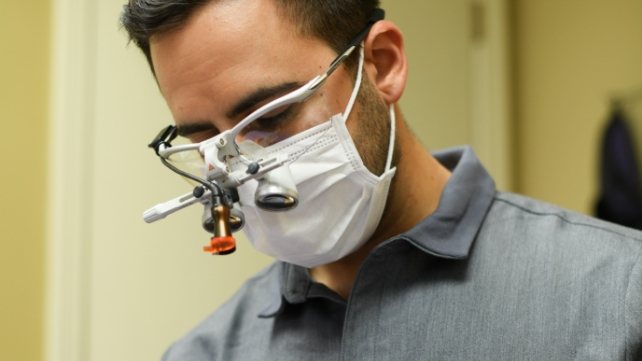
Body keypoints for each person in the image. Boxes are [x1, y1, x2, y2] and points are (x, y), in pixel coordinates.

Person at [121, 0, 642, 360]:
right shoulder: (204, 351)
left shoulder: (619, 296)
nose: (242, 170)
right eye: (207, 143)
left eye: (272, 116)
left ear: (382, 64)